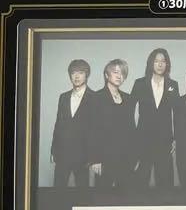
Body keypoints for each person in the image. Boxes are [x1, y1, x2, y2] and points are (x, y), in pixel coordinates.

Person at [131, 48, 178, 188]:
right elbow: (128, 111)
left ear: (167, 64)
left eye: (163, 61)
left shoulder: (173, 85)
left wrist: (176, 138)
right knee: (140, 182)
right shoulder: (139, 83)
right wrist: (133, 136)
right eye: (156, 61)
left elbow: (178, 113)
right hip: (143, 140)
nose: (160, 64)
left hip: (165, 141)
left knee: (165, 183)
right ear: (151, 63)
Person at [89, 58, 137, 189]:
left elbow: (131, 129)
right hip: (104, 158)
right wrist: (95, 159)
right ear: (106, 75)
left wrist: (135, 157)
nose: (119, 76)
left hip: (126, 157)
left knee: (125, 195)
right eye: (115, 72)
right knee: (103, 195)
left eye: (122, 73)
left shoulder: (128, 98)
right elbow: (92, 130)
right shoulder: (96, 97)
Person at [51, 58, 93, 187]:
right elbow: (58, 125)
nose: (77, 76)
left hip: (83, 155)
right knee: (58, 190)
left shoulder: (95, 97)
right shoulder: (63, 97)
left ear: (86, 75)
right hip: (63, 153)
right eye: (73, 73)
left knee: (82, 192)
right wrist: (53, 150)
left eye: (81, 72)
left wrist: (93, 156)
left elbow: (97, 130)